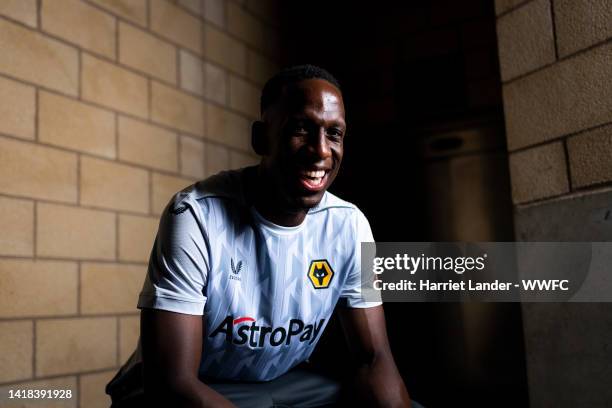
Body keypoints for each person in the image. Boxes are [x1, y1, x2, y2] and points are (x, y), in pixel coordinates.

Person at [106, 65, 413, 407]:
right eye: (301, 129)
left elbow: (373, 359)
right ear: (260, 138)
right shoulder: (195, 215)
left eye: (334, 134)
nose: (321, 151)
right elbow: (172, 383)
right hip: (192, 386)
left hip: (284, 382)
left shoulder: (350, 225)